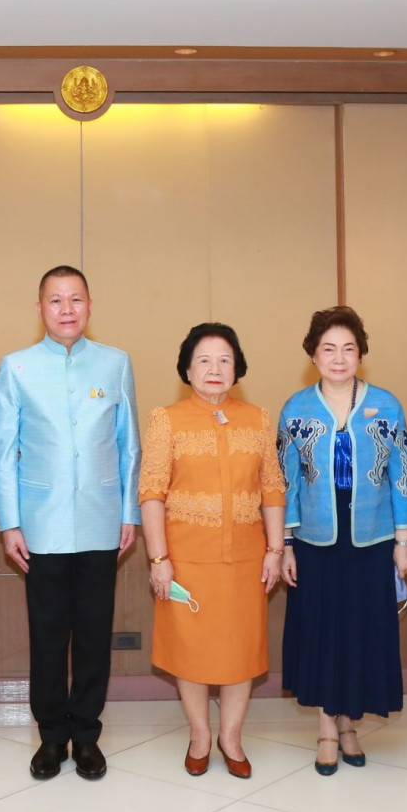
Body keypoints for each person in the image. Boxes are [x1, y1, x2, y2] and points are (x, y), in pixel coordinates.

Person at [0, 265, 140, 781]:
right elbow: (4, 451)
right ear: (39, 310)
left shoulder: (115, 363)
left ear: (90, 306)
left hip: (102, 521)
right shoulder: (16, 367)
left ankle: (87, 735)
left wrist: (129, 512)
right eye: (55, 301)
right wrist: (9, 523)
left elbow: (130, 446)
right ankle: (52, 736)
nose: (67, 309)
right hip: (40, 526)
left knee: (94, 634)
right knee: (49, 635)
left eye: (76, 299)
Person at [140, 323, 285, 781]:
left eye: (224, 359)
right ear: (187, 368)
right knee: (192, 652)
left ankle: (232, 737)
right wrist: (159, 561)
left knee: (240, 652)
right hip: (186, 560)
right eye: (203, 359)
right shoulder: (166, 418)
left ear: (237, 367)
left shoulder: (259, 418)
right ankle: (201, 735)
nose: (214, 369)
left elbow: (272, 488)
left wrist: (276, 549)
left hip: (245, 558)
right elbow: (151, 493)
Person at [277, 307, 407, 775]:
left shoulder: (387, 404)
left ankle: (351, 722)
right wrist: (287, 544)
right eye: (328, 349)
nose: (339, 358)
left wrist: (404, 539)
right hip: (315, 539)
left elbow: (403, 475)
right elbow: (285, 482)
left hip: (372, 536)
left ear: (361, 354)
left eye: (348, 349)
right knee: (321, 631)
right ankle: (325, 728)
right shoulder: (296, 408)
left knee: (361, 630)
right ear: (313, 355)